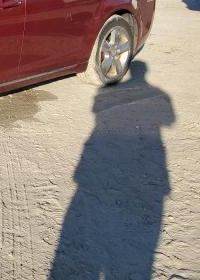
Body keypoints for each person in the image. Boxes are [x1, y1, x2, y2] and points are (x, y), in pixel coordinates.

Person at [50, 61, 174, 279]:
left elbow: (95, 109)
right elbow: (170, 120)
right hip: (145, 157)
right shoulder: (159, 94)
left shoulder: (104, 94)